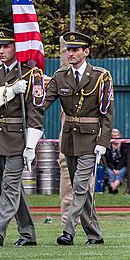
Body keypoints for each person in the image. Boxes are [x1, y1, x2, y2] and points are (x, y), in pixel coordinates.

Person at [33, 31, 112, 245]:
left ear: (86, 52)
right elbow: (42, 105)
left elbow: (107, 112)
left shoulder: (100, 76)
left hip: (90, 139)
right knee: (82, 189)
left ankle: (68, 231)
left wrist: (103, 142)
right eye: (69, 49)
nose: (71, 53)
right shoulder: (60, 76)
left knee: (78, 186)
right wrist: (33, 92)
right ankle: (94, 234)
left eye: (76, 49)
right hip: (69, 140)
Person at [0, 26, 45, 246]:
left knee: (9, 184)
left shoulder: (31, 73)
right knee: (13, 186)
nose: (1, 50)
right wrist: (8, 91)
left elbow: (36, 111)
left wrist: (31, 145)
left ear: (17, 47)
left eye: (6, 46)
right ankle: (28, 234)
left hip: (18, 137)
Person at [104, 129, 126, 194]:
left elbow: (124, 159)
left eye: (117, 135)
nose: (115, 137)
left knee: (120, 173)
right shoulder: (108, 146)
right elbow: (108, 160)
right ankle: (114, 189)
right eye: (113, 136)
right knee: (111, 174)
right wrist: (113, 169)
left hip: (122, 165)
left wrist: (118, 169)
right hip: (111, 166)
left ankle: (112, 188)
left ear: (119, 136)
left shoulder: (124, 145)